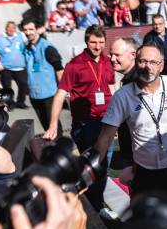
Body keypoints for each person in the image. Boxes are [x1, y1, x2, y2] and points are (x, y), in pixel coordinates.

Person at [94, 43, 167, 229]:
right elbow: (106, 137)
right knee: (146, 224)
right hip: (145, 172)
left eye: (154, 62)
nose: (148, 66)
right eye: (143, 61)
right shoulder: (123, 96)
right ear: (136, 63)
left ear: (161, 65)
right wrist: (90, 166)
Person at [44, 26, 115, 212]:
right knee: (91, 168)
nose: (97, 46)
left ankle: (97, 203)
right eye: (93, 42)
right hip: (86, 125)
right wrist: (53, 125)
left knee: (105, 166)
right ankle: (95, 206)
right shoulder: (74, 65)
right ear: (86, 41)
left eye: (101, 42)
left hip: (107, 123)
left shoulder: (108, 61)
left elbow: (112, 88)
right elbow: (60, 95)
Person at [21, 21, 64, 132]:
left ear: (37, 29)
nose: (28, 32)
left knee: (53, 127)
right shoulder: (26, 48)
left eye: (30, 29)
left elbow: (60, 70)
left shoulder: (47, 47)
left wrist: (63, 92)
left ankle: (60, 148)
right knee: (45, 126)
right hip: (34, 95)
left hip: (49, 94)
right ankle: (51, 148)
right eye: (25, 30)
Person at [108, 38, 137, 182]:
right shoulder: (128, 80)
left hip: (140, 159)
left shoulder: (140, 82)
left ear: (133, 54)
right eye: (111, 54)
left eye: (117, 55)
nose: (112, 59)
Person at [0, 21, 29, 109]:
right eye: (9, 27)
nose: (11, 29)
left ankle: (21, 102)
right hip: (6, 67)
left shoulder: (21, 36)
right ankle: (10, 104)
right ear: (6, 28)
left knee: (23, 84)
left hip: (20, 67)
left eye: (13, 27)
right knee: (7, 87)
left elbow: (29, 44)